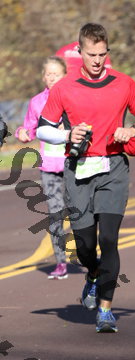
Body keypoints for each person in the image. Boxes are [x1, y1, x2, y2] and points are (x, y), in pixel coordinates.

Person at [37, 23, 135, 333]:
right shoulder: (64, 87)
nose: (97, 61)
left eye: (102, 54)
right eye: (91, 54)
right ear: (80, 52)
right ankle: (92, 273)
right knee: (84, 245)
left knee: (109, 240)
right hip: (78, 168)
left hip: (113, 167)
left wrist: (133, 129)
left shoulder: (123, 83)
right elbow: (43, 129)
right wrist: (67, 134)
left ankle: (105, 310)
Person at [16, 56, 68, 279]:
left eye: (56, 73)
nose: (52, 77)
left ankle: (89, 257)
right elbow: (28, 128)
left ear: (65, 76)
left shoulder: (74, 97)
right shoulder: (37, 102)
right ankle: (61, 263)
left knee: (81, 214)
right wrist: (22, 133)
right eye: (48, 74)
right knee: (55, 214)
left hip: (73, 164)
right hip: (49, 166)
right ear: (43, 77)